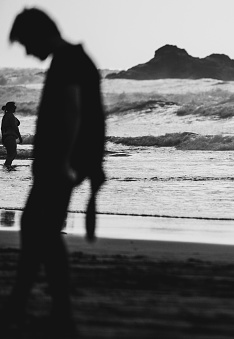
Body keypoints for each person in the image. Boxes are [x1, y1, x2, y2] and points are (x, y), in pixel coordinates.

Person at [2, 8, 106, 336]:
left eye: (26, 43)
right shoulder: (72, 58)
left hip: (59, 166)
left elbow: (71, 112)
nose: (28, 52)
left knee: (38, 229)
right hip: (65, 164)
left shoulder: (67, 60)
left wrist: (60, 164)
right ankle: (26, 305)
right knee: (38, 231)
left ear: (39, 33)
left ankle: (54, 311)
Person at [2, 101, 23, 169]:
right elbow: (15, 127)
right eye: (14, 107)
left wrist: (3, 138)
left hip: (6, 137)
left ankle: (7, 165)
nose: (15, 108)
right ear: (11, 108)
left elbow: (2, 128)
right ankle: (7, 166)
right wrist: (20, 137)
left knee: (10, 154)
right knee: (12, 154)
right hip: (10, 137)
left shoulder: (6, 116)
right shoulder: (10, 116)